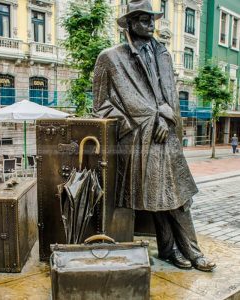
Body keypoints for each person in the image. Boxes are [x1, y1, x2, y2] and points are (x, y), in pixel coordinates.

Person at [93, 0, 216, 271]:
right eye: (145, 20)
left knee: (176, 196)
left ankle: (182, 251)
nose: (151, 25)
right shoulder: (110, 57)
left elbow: (170, 94)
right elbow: (101, 105)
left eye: (152, 19)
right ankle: (178, 251)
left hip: (166, 134)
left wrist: (167, 117)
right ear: (130, 23)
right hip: (139, 138)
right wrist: (134, 124)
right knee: (163, 197)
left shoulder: (163, 52)